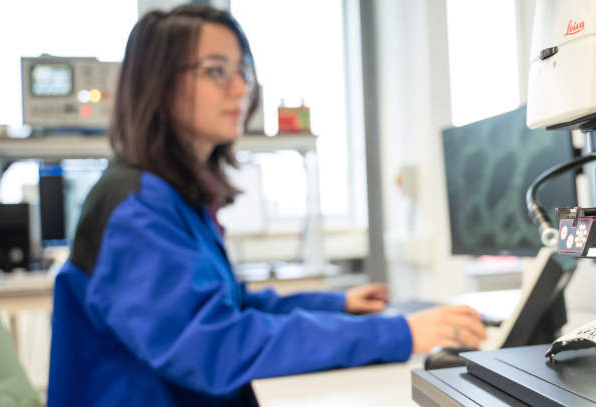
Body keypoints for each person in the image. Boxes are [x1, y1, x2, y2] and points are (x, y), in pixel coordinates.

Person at [47, 5, 485, 406]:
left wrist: (336, 305)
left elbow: (230, 306)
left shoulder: (170, 197)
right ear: (157, 82)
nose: (240, 88)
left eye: (242, 70)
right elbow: (216, 345)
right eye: (216, 70)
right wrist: (398, 332)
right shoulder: (135, 210)